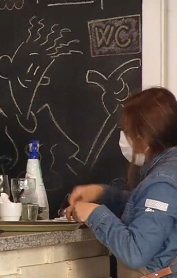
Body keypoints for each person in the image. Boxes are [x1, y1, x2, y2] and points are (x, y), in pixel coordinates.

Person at [65, 87, 177, 278]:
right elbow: (147, 214)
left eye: (128, 130)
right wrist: (102, 194)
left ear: (144, 134)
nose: (126, 137)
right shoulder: (166, 176)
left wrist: (94, 214)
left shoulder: (162, 183)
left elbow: (136, 253)